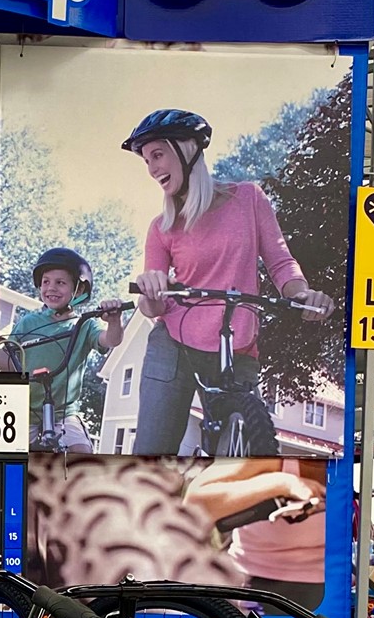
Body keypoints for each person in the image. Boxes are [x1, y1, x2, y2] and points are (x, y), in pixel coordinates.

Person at [124, 110, 333, 456]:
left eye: (157, 155)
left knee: (252, 446)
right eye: (147, 161)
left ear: (187, 148)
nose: (152, 168)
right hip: (174, 345)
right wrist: (150, 286)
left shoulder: (248, 199)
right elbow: (153, 307)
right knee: (152, 454)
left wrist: (302, 294)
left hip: (238, 345)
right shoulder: (161, 228)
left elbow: (281, 262)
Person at [7, 249, 124, 454]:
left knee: (81, 453)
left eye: (60, 282)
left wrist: (114, 320)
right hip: (26, 410)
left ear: (78, 290)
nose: (51, 287)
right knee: (12, 456)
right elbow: (7, 361)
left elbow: (110, 340)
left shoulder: (84, 324)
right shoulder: (28, 323)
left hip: (64, 412)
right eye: (46, 282)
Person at [184, 456, 328, 609]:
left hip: (331, 586)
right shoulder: (273, 456)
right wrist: (284, 484)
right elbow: (193, 503)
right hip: (258, 583)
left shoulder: (344, 467)